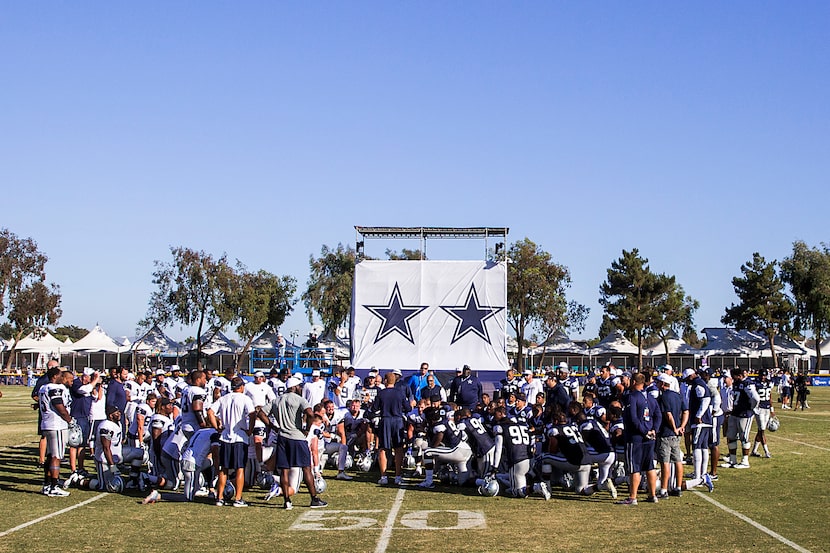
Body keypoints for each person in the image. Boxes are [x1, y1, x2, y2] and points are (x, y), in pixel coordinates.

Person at [263, 375, 327, 510]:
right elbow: (310, 414)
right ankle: (314, 498)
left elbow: (261, 413)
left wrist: (272, 426)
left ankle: (287, 500)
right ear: (295, 387)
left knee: (284, 471)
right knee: (306, 468)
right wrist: (307, 429)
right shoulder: (300, 400)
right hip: (297, 437)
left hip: (282, 437)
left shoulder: (276, 400)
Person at [212, 376, 257, 507]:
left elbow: (210, 412)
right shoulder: (245, 399)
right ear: (241, 387)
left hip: (225, 436)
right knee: (239, 468)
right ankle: (238, 498)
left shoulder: (223, 398)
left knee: (223, 469)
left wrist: (217, 427)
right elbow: (252, 414)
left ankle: (219, 497)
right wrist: (250, 429)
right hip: (239, 436)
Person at [617, 373, 661, 505]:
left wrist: (644, 431)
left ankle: (632, 497)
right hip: (649, 437)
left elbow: (633, 418)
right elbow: (658, 415)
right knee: (649, 466)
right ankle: (652, 495)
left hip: (636, 437)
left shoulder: (632, 397)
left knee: (634, 467)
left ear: (634, 382)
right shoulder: (650, 397)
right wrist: (654, 430)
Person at [38, 367, 73, 496]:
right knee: (56, 456)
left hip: (47, 424)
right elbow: (58, 405)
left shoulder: (43, 388)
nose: (62, 377)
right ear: (54, 377)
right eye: (60, 375)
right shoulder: (54, 388)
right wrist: (70, 420)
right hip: (56, 424)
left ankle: (47, 484)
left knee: (50, 455)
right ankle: (54, 486)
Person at [372, 372, 410, 486]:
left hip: (386, 420)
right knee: (398, 448)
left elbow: (374, 409)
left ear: (385, 380)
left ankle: (384, 476)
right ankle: (398, 476)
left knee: (383, 448)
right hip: (397, 420)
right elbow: (407, 408)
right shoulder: (400, 393)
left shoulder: (381, 393)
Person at [722, 368, 759, 469]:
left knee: (744, 437)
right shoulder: (736, 384)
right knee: (731, 435)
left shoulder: (747, 384)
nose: (733, 378)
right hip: (735, 412)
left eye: (734, 376)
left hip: (745, 414)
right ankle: (733, 460)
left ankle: (745, 461)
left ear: (739, 376)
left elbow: (755, 398)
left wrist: (751, 407)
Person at [751, 369, 775, 458]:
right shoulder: (755, 384)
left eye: (764, 376)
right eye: (762, 375)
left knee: (761, 430)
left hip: (767, 408)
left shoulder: (769, 383)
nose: (763, 377)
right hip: (759, 408)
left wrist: (772, 408)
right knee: (762, 430)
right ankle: (766, 451)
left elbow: (770, 396)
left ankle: (754, 450)